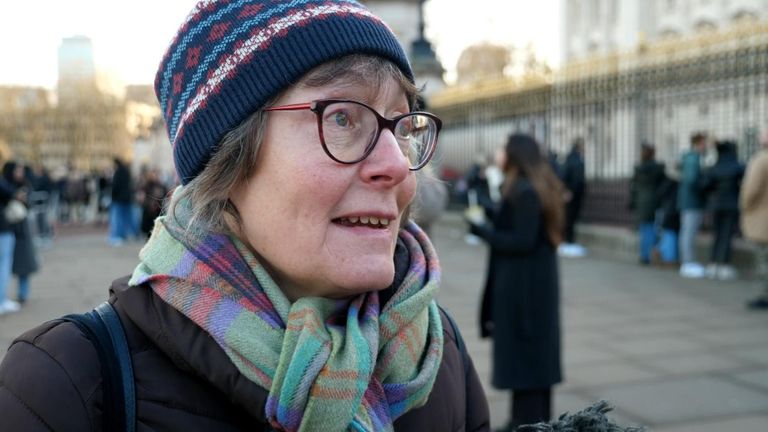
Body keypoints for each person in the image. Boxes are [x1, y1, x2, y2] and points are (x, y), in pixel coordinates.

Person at [0, 2, 491, 431]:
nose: (395, 166)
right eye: (343, 118)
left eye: (402, 126)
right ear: (228, 161)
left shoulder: (437, 350)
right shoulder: (67, 383)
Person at [468, 133, 563, 431]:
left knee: (526, 360)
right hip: (532, 286)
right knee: (533, 361)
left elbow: (522, 240)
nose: (500, 153)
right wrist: (488, 207)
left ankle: (526, 423)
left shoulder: (525, 189)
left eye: (503, 149)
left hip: (524, 290)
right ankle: (530, 420)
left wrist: (482, 231)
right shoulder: (533, 185)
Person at [700, 140, 745, 280]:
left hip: (717, 204)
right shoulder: (737, 166)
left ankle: (713, 264)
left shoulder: (715, 167)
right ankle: (724, 264)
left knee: (717, 234)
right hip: (731, 204)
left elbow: (705, 185)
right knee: (727, 234)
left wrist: (713, 194)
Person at [2, 162, 39, 306]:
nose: (20, 173)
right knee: (5, 264)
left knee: (23, 264)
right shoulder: (6, 186)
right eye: (18, 170)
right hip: (8, 229)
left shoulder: (24, 185)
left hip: (21, 231)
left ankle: (22, 294)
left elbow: (29, 204)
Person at [629, 143, 666, 265]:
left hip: (641, 201)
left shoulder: (638, 169)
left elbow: (633, 188)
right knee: (651, 228)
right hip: (654, 201)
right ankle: (651, 255)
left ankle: (644, 255)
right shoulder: (658, 169)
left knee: (644, 229)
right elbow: (664, 185)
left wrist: (632, 202)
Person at [742, 132, 768, 309]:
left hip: (762, 217)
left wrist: (745, 207)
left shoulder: (761, 160)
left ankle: (765, 295)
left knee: (763, 259)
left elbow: (751, 190)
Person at [677, 132, 708, 278]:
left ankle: (687, 262)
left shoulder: (690, 158)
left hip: (689, 201)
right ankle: (687, 263)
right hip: (692, 202)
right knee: (689, 232)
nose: (706, 146)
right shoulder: (693, 159)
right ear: (698, 143)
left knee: (687, 232)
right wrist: (705, 184)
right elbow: (692, 181)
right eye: (704, 143)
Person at [560, 138, 586, 257]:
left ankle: (568, 241)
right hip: (573, 194)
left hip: (571, 193)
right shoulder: (575, 160)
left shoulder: (570, 159)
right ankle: (568, 241)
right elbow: (575, 178)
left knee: (569, 218)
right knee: (570, 219)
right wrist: (569, 190)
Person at [108, 157, 134, 246]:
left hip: (118, 198)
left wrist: (112, 196)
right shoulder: (127, 171)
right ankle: (123, 235)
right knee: (124, 218)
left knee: (117, 218)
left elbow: (115, 186)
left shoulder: (118, 172)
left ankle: (116, 236)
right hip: (127, 198)